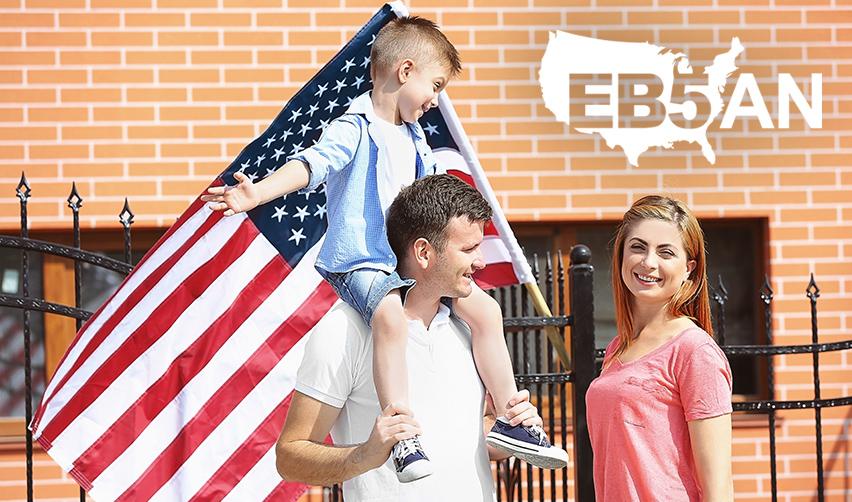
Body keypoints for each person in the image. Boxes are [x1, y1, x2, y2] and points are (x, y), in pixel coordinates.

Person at [201, 16, 565, 481]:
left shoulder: (417, 139)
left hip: (409, 266)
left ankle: (512, 419)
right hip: (364, 264)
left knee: (488, 311)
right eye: (436, 85)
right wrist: (257, 193)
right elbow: (312, 165)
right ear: (405, 70)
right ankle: (402, 431)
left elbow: (435, 204)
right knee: (390, 316)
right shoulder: (354, 128)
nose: (436, 100)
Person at [275, 174, 551, 500]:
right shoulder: (345, 330)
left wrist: (509, 429)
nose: (481, 261)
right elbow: (290, 457)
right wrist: (364, 455)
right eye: (468, 249)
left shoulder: (470, 327)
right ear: (423, 252)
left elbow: (465, 439)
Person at [585, 195, 734, 501]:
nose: (648, 262)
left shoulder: (695, 351)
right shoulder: (617, 348)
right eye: (638, 247)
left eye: (666, 252)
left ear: (689, 268)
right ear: (621, 255)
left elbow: (718, 487)